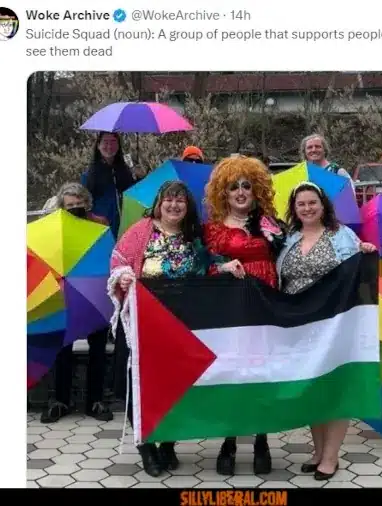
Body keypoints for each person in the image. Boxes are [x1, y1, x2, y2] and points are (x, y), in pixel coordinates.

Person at [107, 180, 239, 477]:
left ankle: (168, 442)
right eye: (169, 199)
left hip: (181, 324)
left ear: (188, 206)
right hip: (145, 324)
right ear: (159, 203)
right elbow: (119, 261)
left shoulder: (194, 236)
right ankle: (147, 447)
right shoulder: (140, 231)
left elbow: (208, 267)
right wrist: (124, 277)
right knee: (141, 384)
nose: (174, 205)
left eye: (181, 200)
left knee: (176, 386)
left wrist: (226, 267)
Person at [275, 181, 376, 480]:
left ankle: (330, 458)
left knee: (334, 390)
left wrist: (366, 253)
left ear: (323, 206)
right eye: (301, 204)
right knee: (313, 389)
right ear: (294, 209)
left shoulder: (342, 235)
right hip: (300, 325)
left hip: (335, 324)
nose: (307, 208)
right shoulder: (289, 239)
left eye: (312, 203)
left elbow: (359, 270)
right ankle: (318, 452)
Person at [203, 155, 286, 476]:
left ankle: (262, 439)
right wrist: (221, 266)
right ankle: (229, 439)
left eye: (246, 186)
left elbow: (297, 253)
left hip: (265, 304)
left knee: (261, 372)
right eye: (233, 187)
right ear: (222, 193)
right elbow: (200, 266)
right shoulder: (210, 229)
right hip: (229, 309)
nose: (240, 192)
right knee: (232, 372)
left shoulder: (271, 224)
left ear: (257, 190)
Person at [40, 183, 113, 424]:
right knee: (61, 348)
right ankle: (59, 401)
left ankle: (96, 400)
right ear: (62, 207)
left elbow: (109, 254)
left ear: (87, 203)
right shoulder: (56, 226)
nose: (74, 208)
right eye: (69, 205)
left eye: (78, 204)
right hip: (63, 290)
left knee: (98, 349)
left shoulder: (100, 223)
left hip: (96, 289)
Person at [81, 131, 142, 239]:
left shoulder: (125, 171)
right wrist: (95, 218)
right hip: (102, 226)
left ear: (118, 146)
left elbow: (135, 193)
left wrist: (140, 177)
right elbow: (83, 204)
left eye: (113, 141)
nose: (109, 146)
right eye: (105, 142)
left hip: (126, 224)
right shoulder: (89, 175)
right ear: (98, 146)